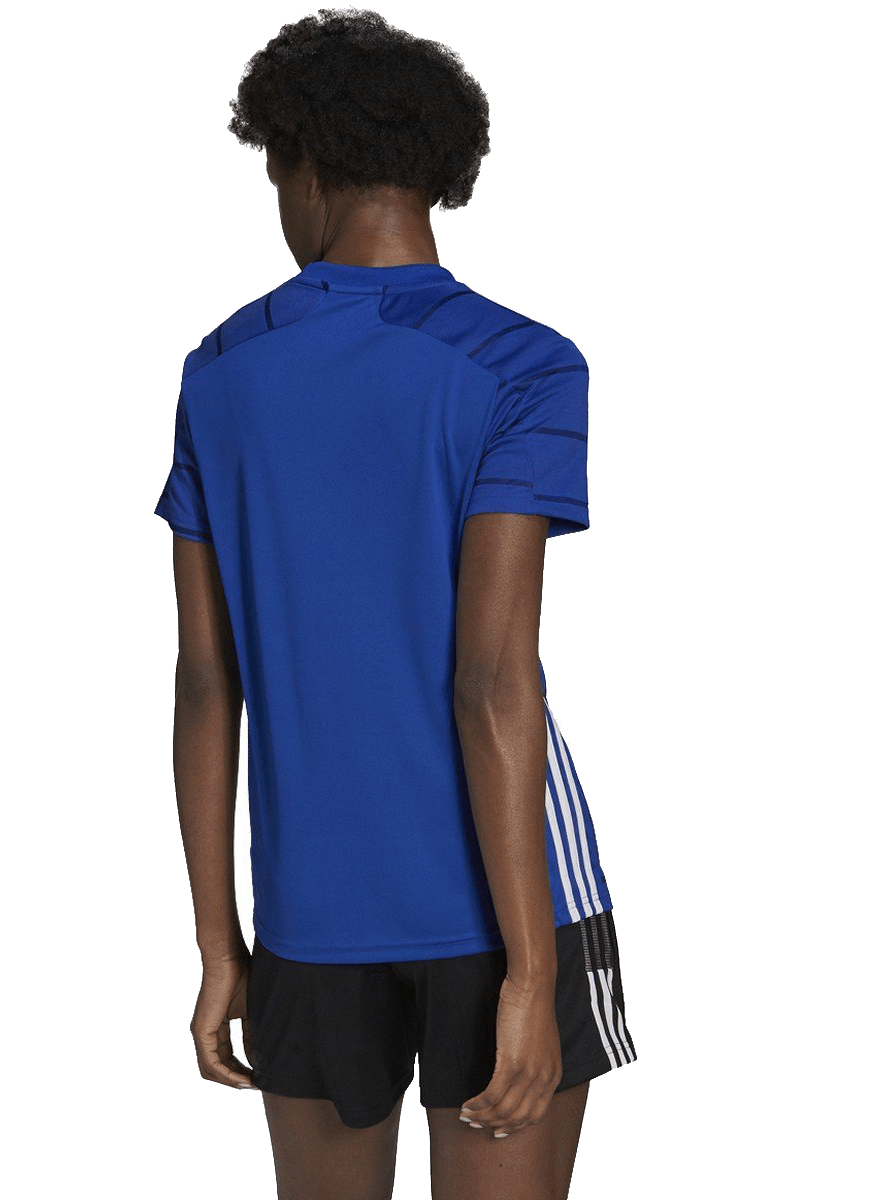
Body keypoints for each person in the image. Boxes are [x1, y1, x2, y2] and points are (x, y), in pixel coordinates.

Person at [152, 9, 637, 1198]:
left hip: (310, 913)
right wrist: (533, 977)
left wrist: (221, 947)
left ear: (301, 169)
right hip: (507, 900)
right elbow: (491, 679)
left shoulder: (218, 373)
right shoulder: (523, 365)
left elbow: (207, 684)